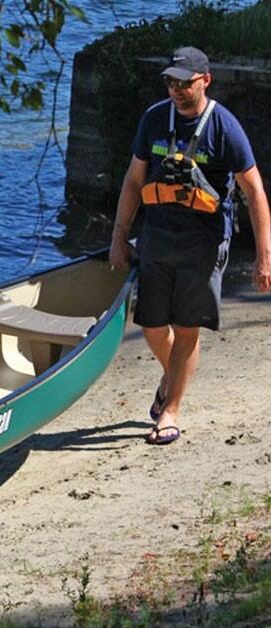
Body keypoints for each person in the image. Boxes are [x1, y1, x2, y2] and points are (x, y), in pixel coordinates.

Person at [109, 46, 271, 444]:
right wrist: (118, 237)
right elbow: (133, 181)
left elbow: (255, 192)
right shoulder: (153, 119)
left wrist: (265, 258)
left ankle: (172, 410)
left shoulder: (224, 127)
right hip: (158, 235)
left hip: (204, 241)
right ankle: (174, 375)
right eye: (170, 82)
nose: (176, 90)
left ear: (205, 81)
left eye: (185, 83)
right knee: (149, 326)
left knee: (186, 328)